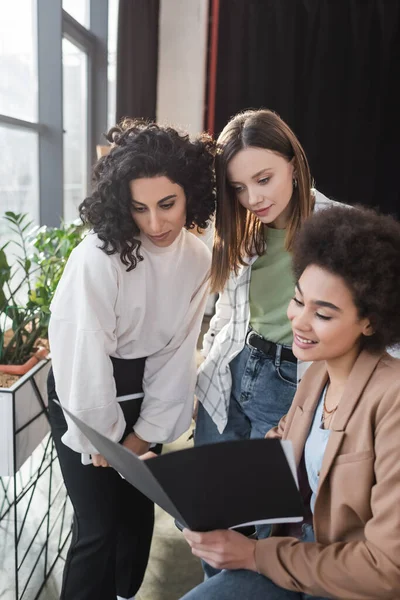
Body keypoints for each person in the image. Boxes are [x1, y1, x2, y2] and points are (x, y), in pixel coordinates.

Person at [180, 203, 400, 600]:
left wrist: (255, 554)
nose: (299, 321)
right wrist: (186, 486)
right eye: (299, 301)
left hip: (349, 581)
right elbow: (280, 445)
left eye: (324, 314)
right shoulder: (317, 373)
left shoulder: (393, 401)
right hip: (298, 558)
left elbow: (386, 570)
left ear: (370, 321)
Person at [47, 119, 216, 600]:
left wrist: (145, 434)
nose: (155, 224)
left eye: (168, 204)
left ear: (191, 195)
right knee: (98, 526)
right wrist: (101, 438)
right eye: (139, 208)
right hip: (86, 390)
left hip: (147, 389)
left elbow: (177, 352)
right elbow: (83, 352)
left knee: (137, 516)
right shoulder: (98, 257)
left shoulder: (198, 258)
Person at [195, 109, 336, 551]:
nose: (253, 197)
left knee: (266, 527)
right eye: (238, 187)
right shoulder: (241, 229)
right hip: (231, 373)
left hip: (292, 386)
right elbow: (225, 313)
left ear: (293, 164)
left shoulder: (339, 230)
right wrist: (209, 379)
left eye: (264, 178)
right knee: (213, 511)